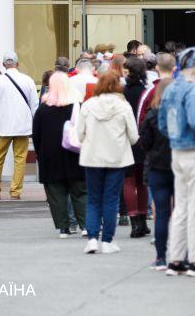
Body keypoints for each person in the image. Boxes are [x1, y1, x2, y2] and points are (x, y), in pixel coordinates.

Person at [158, 47, 195, 276]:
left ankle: (175, 260)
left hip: (177, 152)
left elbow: (163, 125)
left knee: (181, 207)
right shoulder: (193, 91)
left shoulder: (171, 88)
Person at [77, 71, 139, 254]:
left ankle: (92, 239)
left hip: (92, 157)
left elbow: (80, 135)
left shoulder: (88, 105)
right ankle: (108, 241)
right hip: (116, 158)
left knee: (93, 199)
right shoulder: (123, 107)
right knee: (111, 199)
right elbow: (134, 137)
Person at [33, 72, 87, 239]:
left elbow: (37, 135)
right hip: (74, 153)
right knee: (80, 191)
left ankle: (63, 227)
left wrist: (39, 154)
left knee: (56, 193)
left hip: (50, 156)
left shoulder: (42, 109)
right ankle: (85, 225)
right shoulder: (77, 105)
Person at [0, 52, 39, 200]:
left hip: (3, 126)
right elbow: (35, 105)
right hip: (23, 125)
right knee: (20, 159)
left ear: (3, 64)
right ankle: (15, 191)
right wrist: (36, 124)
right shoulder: (28, 80)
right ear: (18, 63)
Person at [139, 78, 175, 270]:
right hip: (177, 166)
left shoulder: (152, 116)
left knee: (161, 213)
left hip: (157, 167)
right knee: (180, 212)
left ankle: (161, 257)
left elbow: (144, 143)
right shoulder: (179, 115)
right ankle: (181, 255)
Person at [122, 58, 150, 238]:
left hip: (125, 139)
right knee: (143, 181)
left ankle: (134, 222)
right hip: (144, 139)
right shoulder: (147, 92)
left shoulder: (122, 92)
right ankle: (143, 220)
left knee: (129, 181)